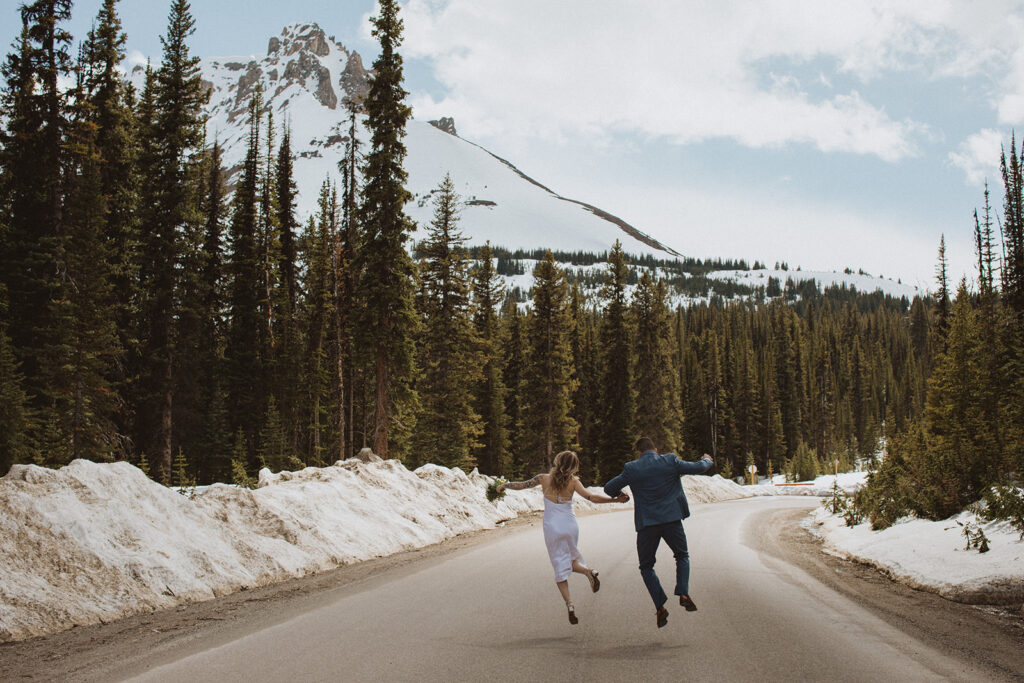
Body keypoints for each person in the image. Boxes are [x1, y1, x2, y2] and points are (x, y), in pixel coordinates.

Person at [498, 450, 629, 625]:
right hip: (570, 525)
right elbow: (592, 498)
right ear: (574, 466)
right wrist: (615, 501)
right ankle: (588, 572)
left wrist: (504, 486)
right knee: (570, 558)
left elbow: (522, 485)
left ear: (557, 461)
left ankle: (569, 604)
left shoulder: (543, 478)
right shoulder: (574, 482)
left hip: (552, 527)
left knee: (560, 566)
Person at [603, 436, 713, 628]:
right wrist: (707, 460)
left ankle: (660, 605)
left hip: (647, 525)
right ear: (655, 449)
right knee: (682, 555)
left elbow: (609, 487)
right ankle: (684, 592)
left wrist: (621, 495)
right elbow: (698, 468)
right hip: (672, 520)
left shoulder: (632, 468)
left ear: (639, 452)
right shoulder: (669, 460)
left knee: (646, 567)